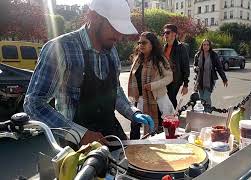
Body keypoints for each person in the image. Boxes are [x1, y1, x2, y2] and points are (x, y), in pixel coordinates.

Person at [23, 0, 154, 147]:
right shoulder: (60, 48)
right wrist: (79, 134)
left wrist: (133, 113)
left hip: (111, 134)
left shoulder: (111, 50)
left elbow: (115, 91)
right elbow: (34, 104)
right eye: (113, 28)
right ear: (93, 17)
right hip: (76, 144)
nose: (118, 36)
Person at [128, 32, 174, 139]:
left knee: (161, 125)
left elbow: (169, 77)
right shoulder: (137, 59)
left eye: (144, 42)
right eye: (139, 42)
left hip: (158, 97)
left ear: (152, 44)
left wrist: (153, 85)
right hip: (140, 98)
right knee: (135, 124)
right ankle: (133, 149)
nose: (141, 45)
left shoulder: (159, 59)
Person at [163, 24, 190, 108]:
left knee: (171, 98)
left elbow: (185, 67)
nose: (165, 35)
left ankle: (172, 117)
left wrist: (185, 85)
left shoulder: (181, 48)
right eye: (164, 33)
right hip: (165, 79)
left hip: (175, 80)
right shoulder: (164, 47)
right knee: (164, 99)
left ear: (174, 34)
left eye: (167, 32)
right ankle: (169, 117)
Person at [193, 39, 228, 105]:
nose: (205, 46)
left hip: (210, 80)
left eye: (207, 45)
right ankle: (208, 112)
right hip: (199, 80)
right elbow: (194, 65)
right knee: (204, 98)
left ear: (210, 46)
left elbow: (219, 68)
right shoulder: (198, 55)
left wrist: (224, 79)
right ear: (202, 46)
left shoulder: (213, 55)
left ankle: (205, 112)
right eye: (204, 45)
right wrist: (195, 68)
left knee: (203, 99)